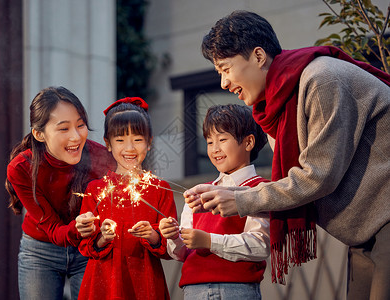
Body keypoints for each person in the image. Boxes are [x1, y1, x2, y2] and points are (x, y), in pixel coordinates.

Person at [184, 10, 390, 299]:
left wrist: (241, 199)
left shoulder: (322, 80)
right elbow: (305, 179)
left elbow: (318, 176)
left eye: (226, 69)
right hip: (365, 231)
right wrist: (228, 193)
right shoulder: (275, 110)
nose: (223, 83)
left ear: (258, 56)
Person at [6, 86, 115, 300]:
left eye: (81, 125)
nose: (76, 136)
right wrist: (78, 226)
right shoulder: (21, 168)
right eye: (64, 129)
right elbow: (55, 231)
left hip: (89, 248)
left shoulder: (102, 158)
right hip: (40, 251)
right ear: (39, 134)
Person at [159, 104, 270, 300]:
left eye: (222, 139)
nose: (215, 149)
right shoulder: (199, 193)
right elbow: (181, 253)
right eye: (209, 142)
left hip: (236, 289)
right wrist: (174, 236)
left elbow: (261, 245)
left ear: (249, 142)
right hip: (193, 290)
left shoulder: (260, 190)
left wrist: (209, 241)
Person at [77, 97, 177, 300]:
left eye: (138, 140)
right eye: (120, 140)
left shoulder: (160, 189)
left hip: (146, 281)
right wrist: (104, 237)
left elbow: (170, 247)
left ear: (149, 143)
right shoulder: (95, 189)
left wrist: (153, 235)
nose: (129, 148)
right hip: (104, 282)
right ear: (108, 144)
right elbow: (85, 246)